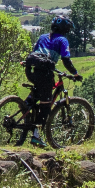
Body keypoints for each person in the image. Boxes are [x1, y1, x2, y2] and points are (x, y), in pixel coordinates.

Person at [20, 16, 82, 145]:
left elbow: (35, 52)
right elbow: (66, 60)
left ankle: (25, 107)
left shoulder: (42, 36)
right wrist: (75, 74)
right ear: (65, 29)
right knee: (46, 106)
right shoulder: (62, 40)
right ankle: (36, 136)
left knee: (38, 94)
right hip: (45, 73)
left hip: (31, 71)